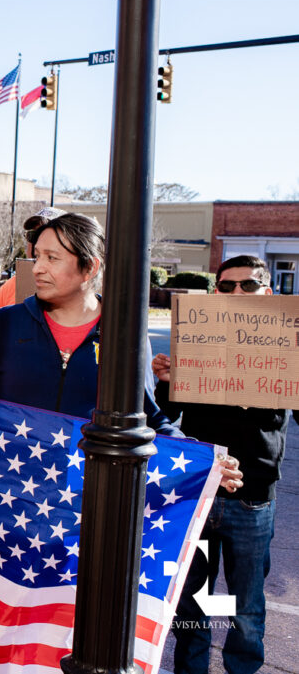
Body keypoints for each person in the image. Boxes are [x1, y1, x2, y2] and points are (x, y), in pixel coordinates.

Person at [152, 255, 296, 674]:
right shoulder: (199, 336)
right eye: (227, 286)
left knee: (246, 608)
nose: (237, 293)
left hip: (252, 499)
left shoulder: (285, 345)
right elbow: (169, 413)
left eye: (248, 286)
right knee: (191, 603)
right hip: (196, 492)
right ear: (216, 292)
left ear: (267, 293)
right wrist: (164, 381)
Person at [0, 212, 181, 434]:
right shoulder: (5, 322)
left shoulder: (125, 335)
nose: (37, 268)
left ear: (90, 268)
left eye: (51, 258)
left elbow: (149, 419)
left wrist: (213, 462)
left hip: (89, 469)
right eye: (37, 257)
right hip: (11, 466)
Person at [0, 206, 66, 315]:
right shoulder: (10, 287)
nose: (38, 244)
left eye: (47, 236)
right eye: (33, 236)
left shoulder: (74, 289)